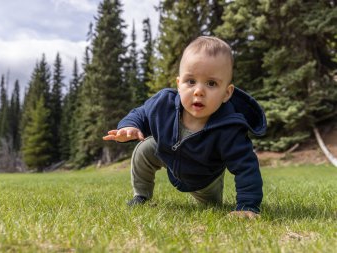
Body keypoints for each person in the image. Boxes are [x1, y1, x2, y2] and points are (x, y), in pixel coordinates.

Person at [103, 36, 267, 219]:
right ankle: (141, 196)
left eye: (211, 83)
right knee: (145, 149)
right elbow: (141, 114)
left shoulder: (229, 128)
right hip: (169, 157)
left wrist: (247, 206)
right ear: (179, 85)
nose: (198, 91)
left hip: (205, 180)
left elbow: (246, 167)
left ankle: (214, 199)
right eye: (191, 81)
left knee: (210, 207)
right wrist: (129, 126)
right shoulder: (162, 104)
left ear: (227, 93)